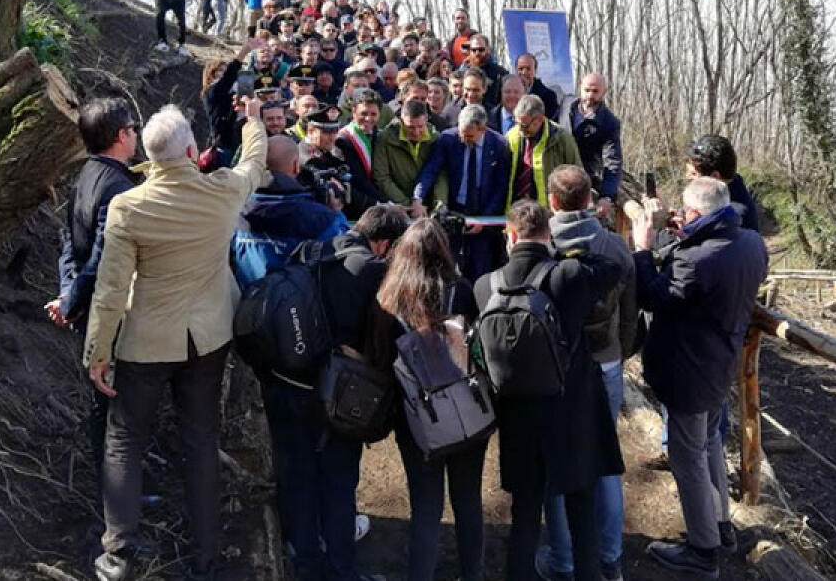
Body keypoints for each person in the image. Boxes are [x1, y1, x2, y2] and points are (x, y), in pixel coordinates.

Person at [84, 103, 268, 581]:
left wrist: (97, 352)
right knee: (201, 440)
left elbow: (110, 289)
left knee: (124, 440)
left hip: (145, 342)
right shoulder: (221, 193)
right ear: (191, 149)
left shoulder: (130, 206)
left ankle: (119, 554)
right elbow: (251, 165)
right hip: (208, 341)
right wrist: (252, 121)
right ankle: (206, 553)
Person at [475, 200, 623, 581]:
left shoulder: (485, 286)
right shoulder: (569, 275)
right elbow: (613, 268)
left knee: (525, 513)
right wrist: (566, 250)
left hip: (518, 417)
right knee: (580, 511)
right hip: (570, 413)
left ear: (508, 235)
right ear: (549, 234)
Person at [263, 205, 409, 581]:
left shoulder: (310, 252)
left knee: (298, 475)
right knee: (339, 482)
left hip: (287, 383)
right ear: (383, 244)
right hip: (339, 394)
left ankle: (306, 563)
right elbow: (387, 340)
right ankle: (343, 571)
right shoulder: (374, 271)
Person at [631, 178, 768, 580]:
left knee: (686, 458)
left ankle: (703, 551)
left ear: (695, 213)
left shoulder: (696, 259)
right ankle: (721, 527)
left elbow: (654, 296)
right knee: (708, 446)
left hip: (689, 370)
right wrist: (683, 235)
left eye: (686, 213)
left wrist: (643, 248)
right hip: (720, 363)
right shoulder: (750, 243)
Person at [369, 219, 487, 581]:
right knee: (468, 502)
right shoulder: (462, 291)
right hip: (467, 413)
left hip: (417, 420)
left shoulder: (388, 300)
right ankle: (473, 574)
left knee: (425, 506)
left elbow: (380, 359)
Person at [538, 165, 638, 581]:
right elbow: (631, 313)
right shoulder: (615, 247)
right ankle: (610, 557)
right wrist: (620, 349)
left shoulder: (542, 246)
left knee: (555, 461)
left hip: (555, 368)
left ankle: (563, 559)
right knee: (604, 460)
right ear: (590, 201)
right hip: (606, 360)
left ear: (554, 202)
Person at [47, 98, 139, 507]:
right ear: (122, 136)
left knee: (102, 404)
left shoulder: (84, 174)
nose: (136, 135)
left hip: (86, 304)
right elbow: (103, 259)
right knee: (114, 408)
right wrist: (74, 302)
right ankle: (115, 499)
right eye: (133, 129)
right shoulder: (120, 186)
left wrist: (69, 294)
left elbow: (69, 245)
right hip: (107, 315)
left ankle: (108, 488)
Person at [231, 135, 347, 289]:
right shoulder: (318, 218)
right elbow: (345, 248)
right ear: (295, 166)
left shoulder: (234, 211)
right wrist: (336, 213)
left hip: (243, 303)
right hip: (297, 307)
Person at [411, 104, 509, 280]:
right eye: (462, 133)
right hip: (454, 212)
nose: (464, 139)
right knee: (447, 264)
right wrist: (417, 197)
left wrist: (484, 219)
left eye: (469, 135)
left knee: (480, 269)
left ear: (483, 129)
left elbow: (501, 187)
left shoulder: (499, 145)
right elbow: (430, 170)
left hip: (483, 213)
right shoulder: (449, 139)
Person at [558, 74, 622, 219]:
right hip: (556, 175)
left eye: (595, 91)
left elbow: (613, 162)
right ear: (580, 88)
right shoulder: (565, 105)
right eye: (587, 90)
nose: (590, 95)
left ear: (604, 91)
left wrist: (607, 196)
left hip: (583, 181)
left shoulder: (609, 123)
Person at [505, 94, 581, 209]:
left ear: (539, 119)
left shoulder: (562, 139)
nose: (520, 130)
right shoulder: (511, 136)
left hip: (549, 213)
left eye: (524, 126)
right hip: (517, 210)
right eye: (517, 123)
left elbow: (577, 176)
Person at [373, 100, 445, 213]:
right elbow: (382, 178)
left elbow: (440, 176)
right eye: (411, 127)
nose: (416, 132)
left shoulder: (436, 139)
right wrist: (408, 205)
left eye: (420, 126)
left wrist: (439, 205)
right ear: (401, 121)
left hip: (429, 207)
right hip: (399, 207)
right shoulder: (385, 139)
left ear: (426, 120)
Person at [686, 135, 760, 233]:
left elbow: (702, 246)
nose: (688, 176)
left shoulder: (732, 216)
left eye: (694, 174)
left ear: (715, 177)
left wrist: (688, 227)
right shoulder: (729, 191)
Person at [337, 89, 387, 220]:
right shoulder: (342, 140)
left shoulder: (381, 137)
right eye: (363, 113)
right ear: (353, 111)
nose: (368, 118)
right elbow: (356, 179)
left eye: (373, 114)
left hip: (381, 205)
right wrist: (384, 203)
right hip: (357, 208)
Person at [202, 43, 252, 157]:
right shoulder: (212, 91)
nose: (223, 73)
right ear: (211, 73)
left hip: (239, 139)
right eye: (220, 70)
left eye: (224, 70)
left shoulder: (231, 91)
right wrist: (244, 52)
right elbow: (229, 77)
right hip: (222, 144)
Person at [463, 34, 508, 109]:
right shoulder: (463, 72)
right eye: (474, 50)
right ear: (469, 51)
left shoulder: (500, 73)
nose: (477, 53)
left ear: (488, 50)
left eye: (481, 50)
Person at [515, 53, 560, 121]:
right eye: (521, 69)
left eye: (528, 69)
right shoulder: (508, 94)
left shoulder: (548, 97)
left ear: (535, 71)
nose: (524, 72)